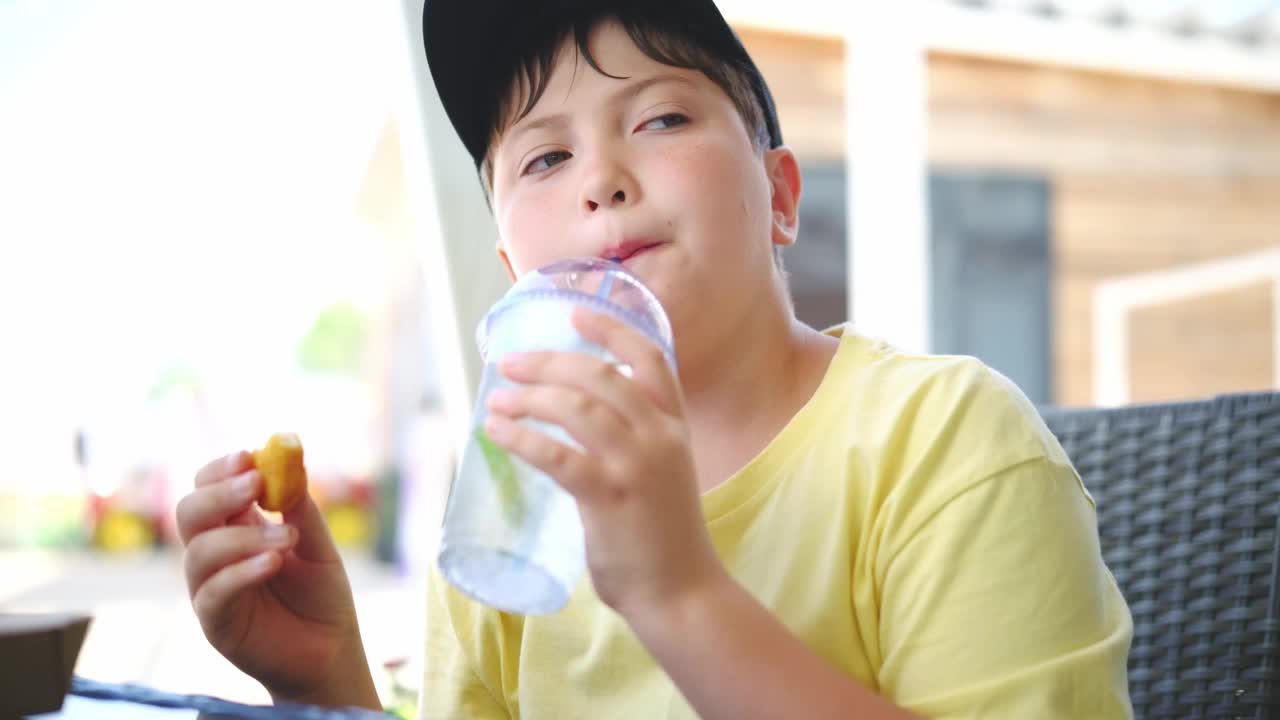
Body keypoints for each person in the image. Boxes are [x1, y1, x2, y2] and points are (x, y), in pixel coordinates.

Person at [176, 1, 1134, 718]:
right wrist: (328, 674)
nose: (602, 178)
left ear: (781, 197)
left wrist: (679, 594)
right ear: (515, 275)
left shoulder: (945, 442)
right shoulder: (516, 491)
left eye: (662, 119)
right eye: (545, 160)